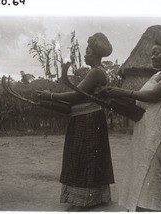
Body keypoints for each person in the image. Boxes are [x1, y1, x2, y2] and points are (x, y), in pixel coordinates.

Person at [103, 26, 161, 212]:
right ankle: (141, 207)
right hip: (147, 129)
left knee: (155, 173)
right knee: (142, 170)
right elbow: (141, 100)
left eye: (156, 53)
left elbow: (152, 96)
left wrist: (119, 91)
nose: (152, 57)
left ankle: (154, 209)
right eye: (151, 53)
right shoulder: (156, 74)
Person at [36, 32, 115, 211]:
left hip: (88, 120)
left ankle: (85, 200)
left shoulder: (96, 72)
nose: (85, 55)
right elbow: (79, 94)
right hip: (89, 118)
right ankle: (94, 197)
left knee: (83, 157)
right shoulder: (98, 71)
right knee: (90, 158)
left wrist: (51, 95)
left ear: (95, 54)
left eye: (87, 52)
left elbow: (75, 95)